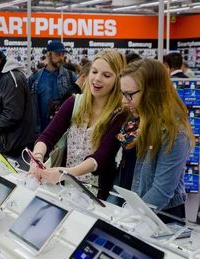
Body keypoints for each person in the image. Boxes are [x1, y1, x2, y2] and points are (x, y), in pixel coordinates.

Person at [30, 49, 127, 200]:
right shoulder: (74, 103)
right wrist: (37, 158)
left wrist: (66, 173)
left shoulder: (119, 114)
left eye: (106, 75)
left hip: (97, 195)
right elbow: (47, 137)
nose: (97, 79)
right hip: (64, 190)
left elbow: (101, 157)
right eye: (94, 72)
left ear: (118, 79)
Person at [120, 59, 194, 221]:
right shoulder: (142, 120)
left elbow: (161, 191)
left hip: (162, 219)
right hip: (141, 212)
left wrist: (130, 219)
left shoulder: (174, 131)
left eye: (129, 95)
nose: (124, 101)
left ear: (151, 91)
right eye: (122, 94)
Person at [28, 40, 77, 133]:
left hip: (65, 131)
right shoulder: (35, 78)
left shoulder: (70, 76)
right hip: (41, 131)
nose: (61, 58)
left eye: (63, 54)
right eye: (58, 54)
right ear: (49, 54)